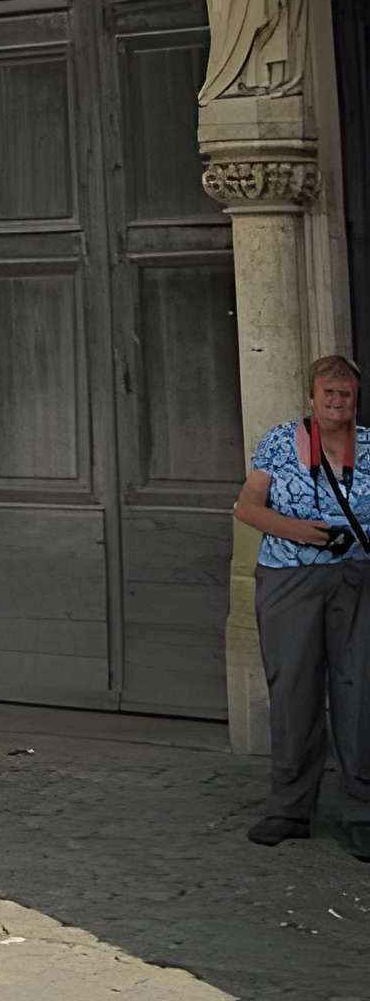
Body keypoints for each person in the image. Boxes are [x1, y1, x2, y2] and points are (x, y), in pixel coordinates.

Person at [233, 354, 370, 856]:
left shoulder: (369, 446)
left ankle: (362, 810)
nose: (337, 402)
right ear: (311, 397)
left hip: (356, 580)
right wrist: (303, 533)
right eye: (328, 393)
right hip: (289, 578)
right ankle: (289, 808)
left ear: (356, 399)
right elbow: (247, 508)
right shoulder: (279, 442)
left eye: (345, 394)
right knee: (293, 690)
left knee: (360, 692)